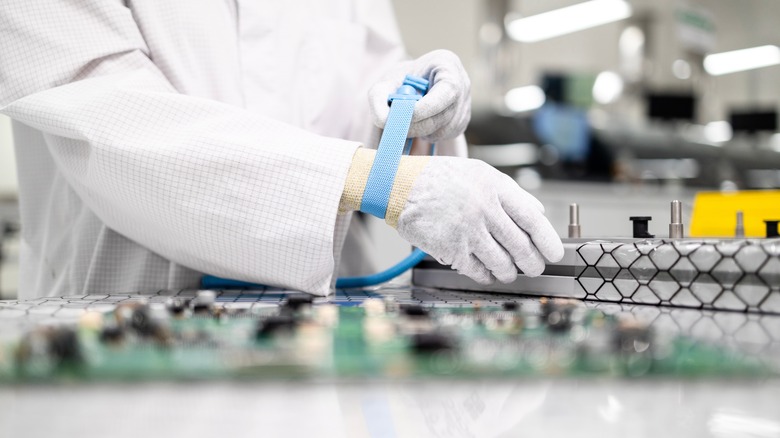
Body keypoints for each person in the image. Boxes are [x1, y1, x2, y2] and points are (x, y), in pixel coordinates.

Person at [0, 1, 563, 299]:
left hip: (328, 342)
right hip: (124, 338)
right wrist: (382, 181)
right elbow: (112, 124)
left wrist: (413, 103)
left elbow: (369, 90)